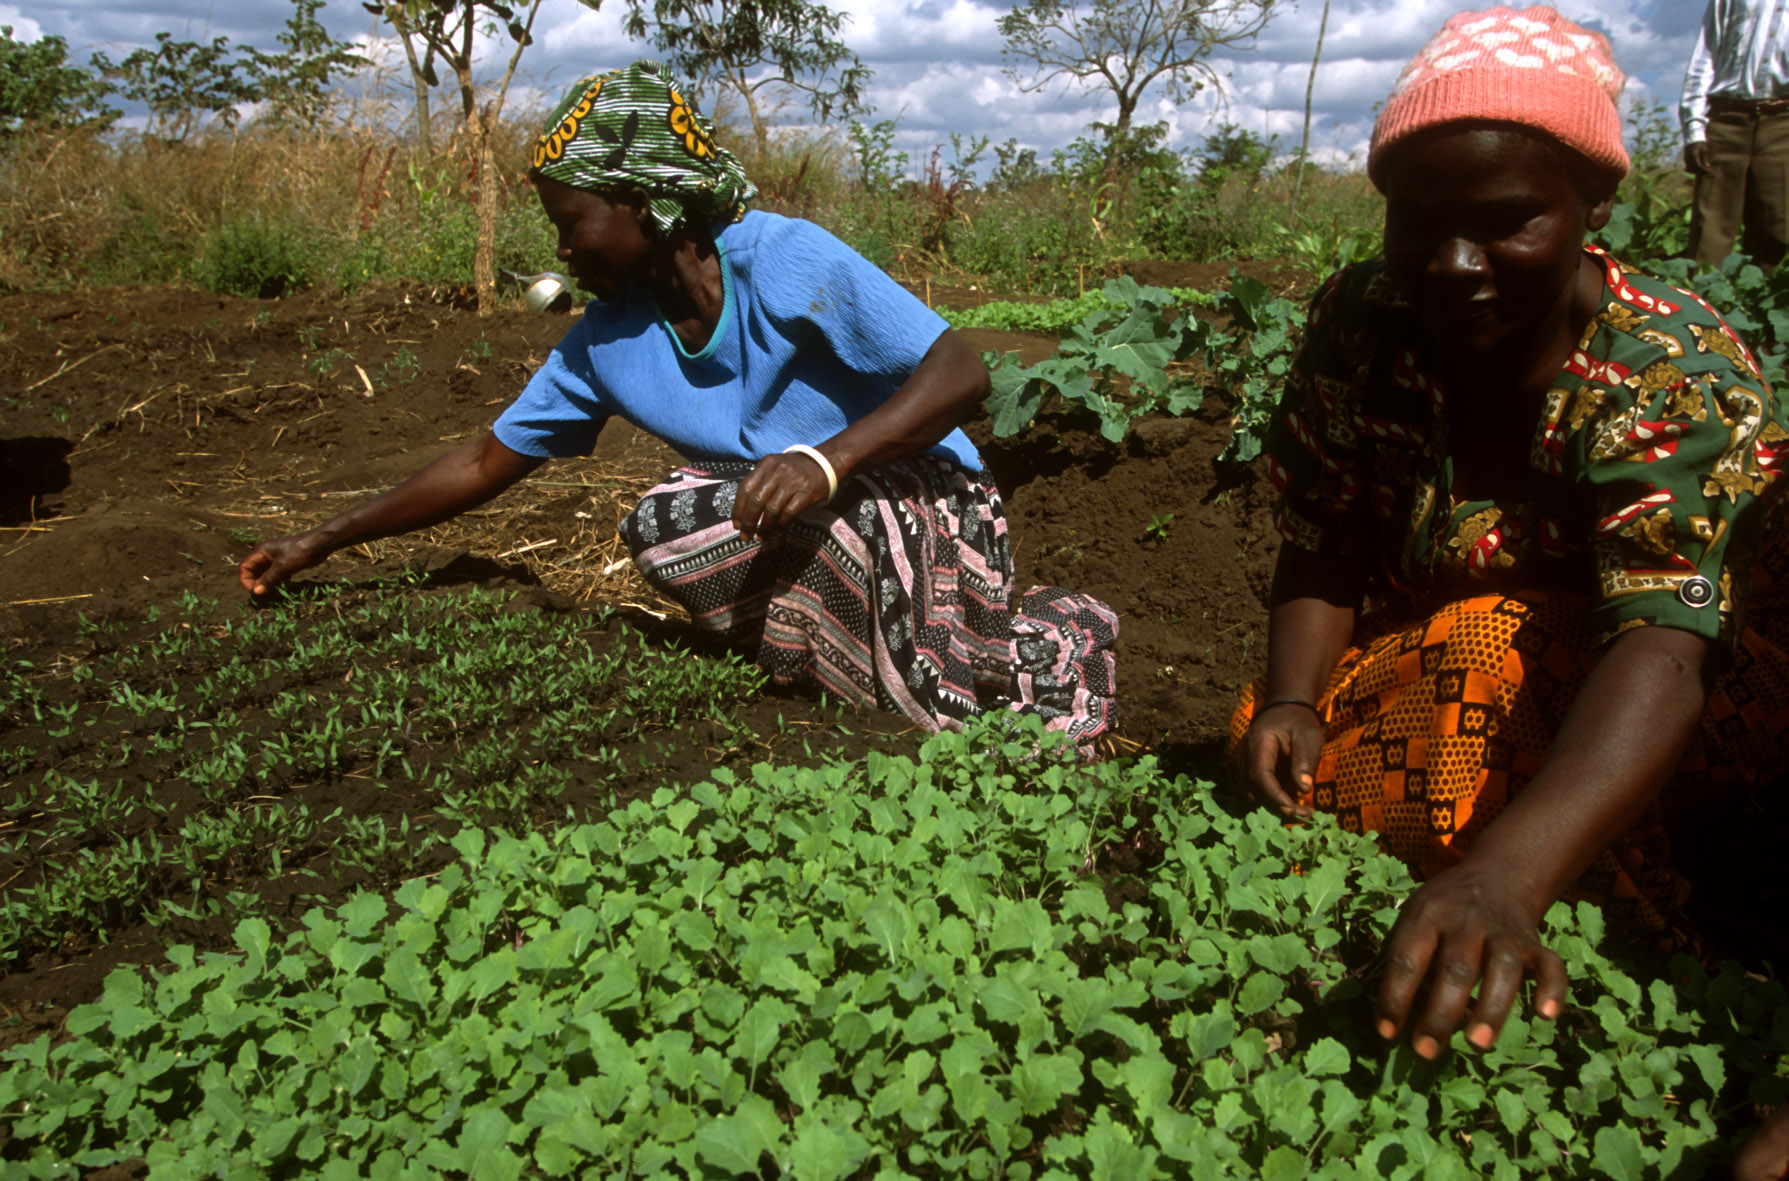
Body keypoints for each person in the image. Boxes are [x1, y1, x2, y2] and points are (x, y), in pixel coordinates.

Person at [238, 61, 1117, 748]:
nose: (563, 250)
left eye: (572, 223)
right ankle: (864, 662)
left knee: (849, 542)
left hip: (924, 501)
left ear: (643, 204)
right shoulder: (603, 341)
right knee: (667, 519)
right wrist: (325, 538)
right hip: (811, 518)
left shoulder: (783, 258)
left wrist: (826, 459)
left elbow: (960, 372)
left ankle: (1029, 655)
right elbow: (482, 460)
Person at [1229, 5, 1789, 1061]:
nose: (1451, 262)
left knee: (1485, 658)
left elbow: (1668, 642)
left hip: (1682, 690)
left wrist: (1508, 872)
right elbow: (1324, 532)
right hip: (1442, 663)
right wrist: (1296, 696)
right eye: (1417, 222)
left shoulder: (1671, 370)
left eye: (1505, 222)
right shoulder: (1366, 323)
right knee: (1266, 728)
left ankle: (1629, 945)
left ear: (1592, 205)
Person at [1681, 0, 1789, 269]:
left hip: (1783, 122)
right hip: (1726, 119)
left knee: (1779, 230)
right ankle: (1701, 293)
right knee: (1708, 238)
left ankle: (1763, 294)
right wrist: (1695, 128)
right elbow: (1706, 52)